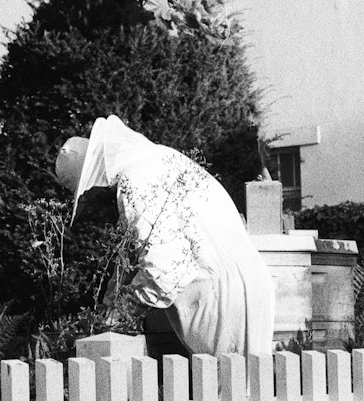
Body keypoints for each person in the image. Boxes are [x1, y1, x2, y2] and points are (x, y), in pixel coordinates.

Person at [54, 114, 275, 359]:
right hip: (245, 285)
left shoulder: (135, 181)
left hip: (223, 302)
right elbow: (132, 255)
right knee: (252, 390)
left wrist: (119, 312)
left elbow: (165, 272)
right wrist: (109, 301)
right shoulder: (157, 158)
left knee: (233, 391)